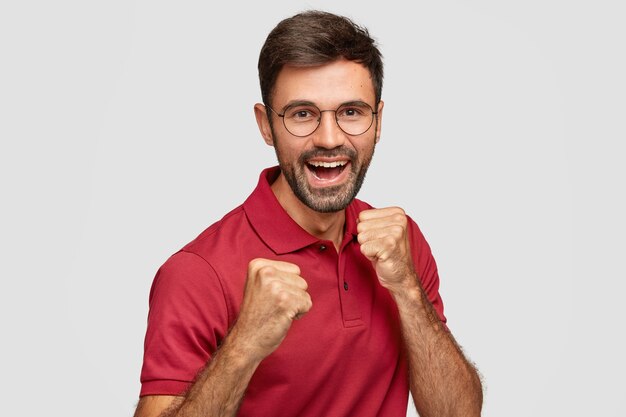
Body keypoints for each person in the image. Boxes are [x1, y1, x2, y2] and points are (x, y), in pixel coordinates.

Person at [134, 10, 482, 417]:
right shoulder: (198, 273)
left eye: (351, 112)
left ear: (378, 120)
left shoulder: (400, 245)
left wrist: (407, 288)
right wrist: (244, 346)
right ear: (266, 126)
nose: (330, 139)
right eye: (303, 114)